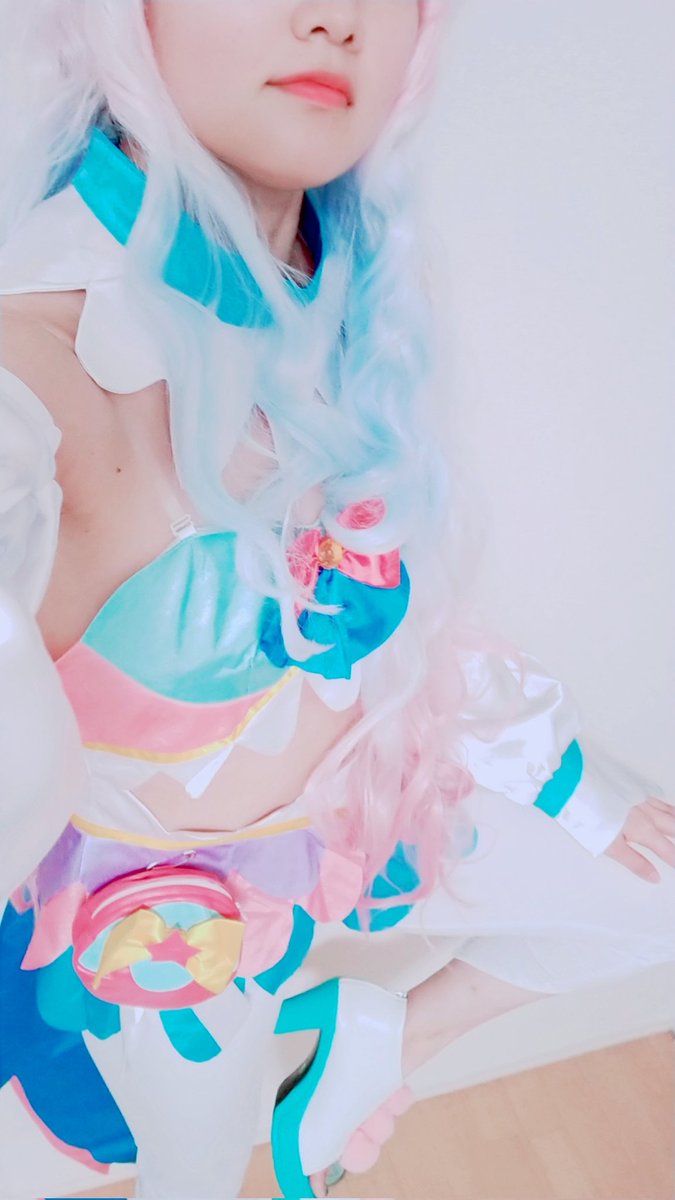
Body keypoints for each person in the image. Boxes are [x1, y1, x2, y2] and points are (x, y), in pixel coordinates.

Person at [0, 2, 673, 1198]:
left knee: (656, 903)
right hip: (168, 922)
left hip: (356, 814)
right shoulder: (31, 362)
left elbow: (397, 627)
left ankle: (373, 1048)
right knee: (188, 1171)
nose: (332, 16)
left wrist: (566, 778)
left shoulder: (345, 289)